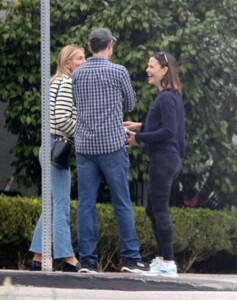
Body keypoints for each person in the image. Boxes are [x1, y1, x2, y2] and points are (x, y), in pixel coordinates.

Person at [72, 28, 149, 273]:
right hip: (112, 145)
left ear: (90, 45)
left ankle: (87, 260)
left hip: (84, 145)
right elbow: (130, 103)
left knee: (86, 203)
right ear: (110, 45)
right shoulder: (118, 71)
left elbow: (76, 102)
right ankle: (130, 258)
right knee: (121, 201)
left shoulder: (77, 73)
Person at [124, 52, 185, 277]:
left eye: (151, 67)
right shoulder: (168, 96)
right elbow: (165, 125)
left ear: (164, 70)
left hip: (164, 158)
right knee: (153, 209)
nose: (147, 71)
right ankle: (162, 260)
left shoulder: (167, 97)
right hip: (167, 158)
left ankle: (168, 262)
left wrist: (137, 138)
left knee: (159, 209)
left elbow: (168, 131)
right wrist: (141, 126)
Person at [29, 45, 86, 272]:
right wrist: (84, 130)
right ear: (68, 63)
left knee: (51, 205)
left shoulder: (56, 82)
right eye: (79, 58)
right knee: (61, 205)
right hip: (57, 146)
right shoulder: (65, 82)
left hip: (51, 146)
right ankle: (68, 258)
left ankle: (37, 256)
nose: (84, 61)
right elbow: (62, 120)